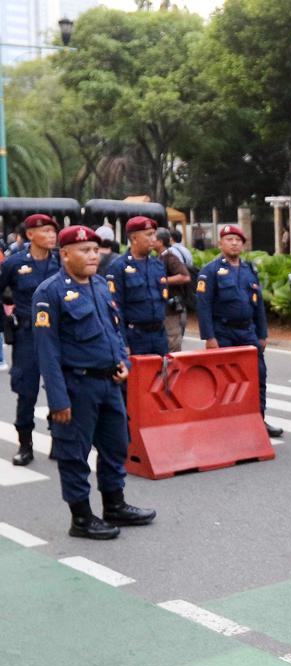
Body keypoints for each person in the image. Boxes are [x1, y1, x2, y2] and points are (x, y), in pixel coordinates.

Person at [33, 225, 156, 539]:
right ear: (64, 254)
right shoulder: (50, 293)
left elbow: (114, 331)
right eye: (84, 250)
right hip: (77, 387)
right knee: (74, 454)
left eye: (94, 250)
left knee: (116, 446)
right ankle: (82, 518)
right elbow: (47, 353)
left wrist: (124, 364)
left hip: (109, 383)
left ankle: (114, 505)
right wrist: (59, 401)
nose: (92, 256)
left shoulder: (101, 285)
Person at [197, 226, 282, 438]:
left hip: (248, 332)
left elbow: (258, 304)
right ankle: (226, 426)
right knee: (225, 381)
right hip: (223, 332)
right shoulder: (210, 271)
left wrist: (262, 334)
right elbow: (203, 306)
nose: (234, 243)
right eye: (229, 239)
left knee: (257, 377)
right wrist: (209, 337)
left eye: (238, 240)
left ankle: (258, 420)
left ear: (243, 245)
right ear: (220, 244)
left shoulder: (249, 269)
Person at [0, 214, 60, 466]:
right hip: (27, 335)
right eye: (45, 231)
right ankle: (25, 445)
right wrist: (6, 323)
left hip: (58, 336)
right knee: (27, 391)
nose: (51, 236)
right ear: (30, 235)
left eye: (53, 231)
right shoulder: (14, 263)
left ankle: (59, 439)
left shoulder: (61, 262)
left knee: (61, 388)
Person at [107, 216, 170, 356]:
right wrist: (123, 343)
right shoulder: (118, 267)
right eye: (149, 235)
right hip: (135, 337)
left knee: (163, 376)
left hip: (159, 336)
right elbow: (116, 308)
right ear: (134, 238)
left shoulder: (158, 264)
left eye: (154, 233)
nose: (154, 238)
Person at [157, 229, 192, 352]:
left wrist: (162, 281)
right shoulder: (180, 251)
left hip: (173, 308)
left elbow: (184, 276)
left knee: (173, 343)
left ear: (160, 242)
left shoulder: (170, 256)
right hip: (173, 305)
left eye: (153, 238)